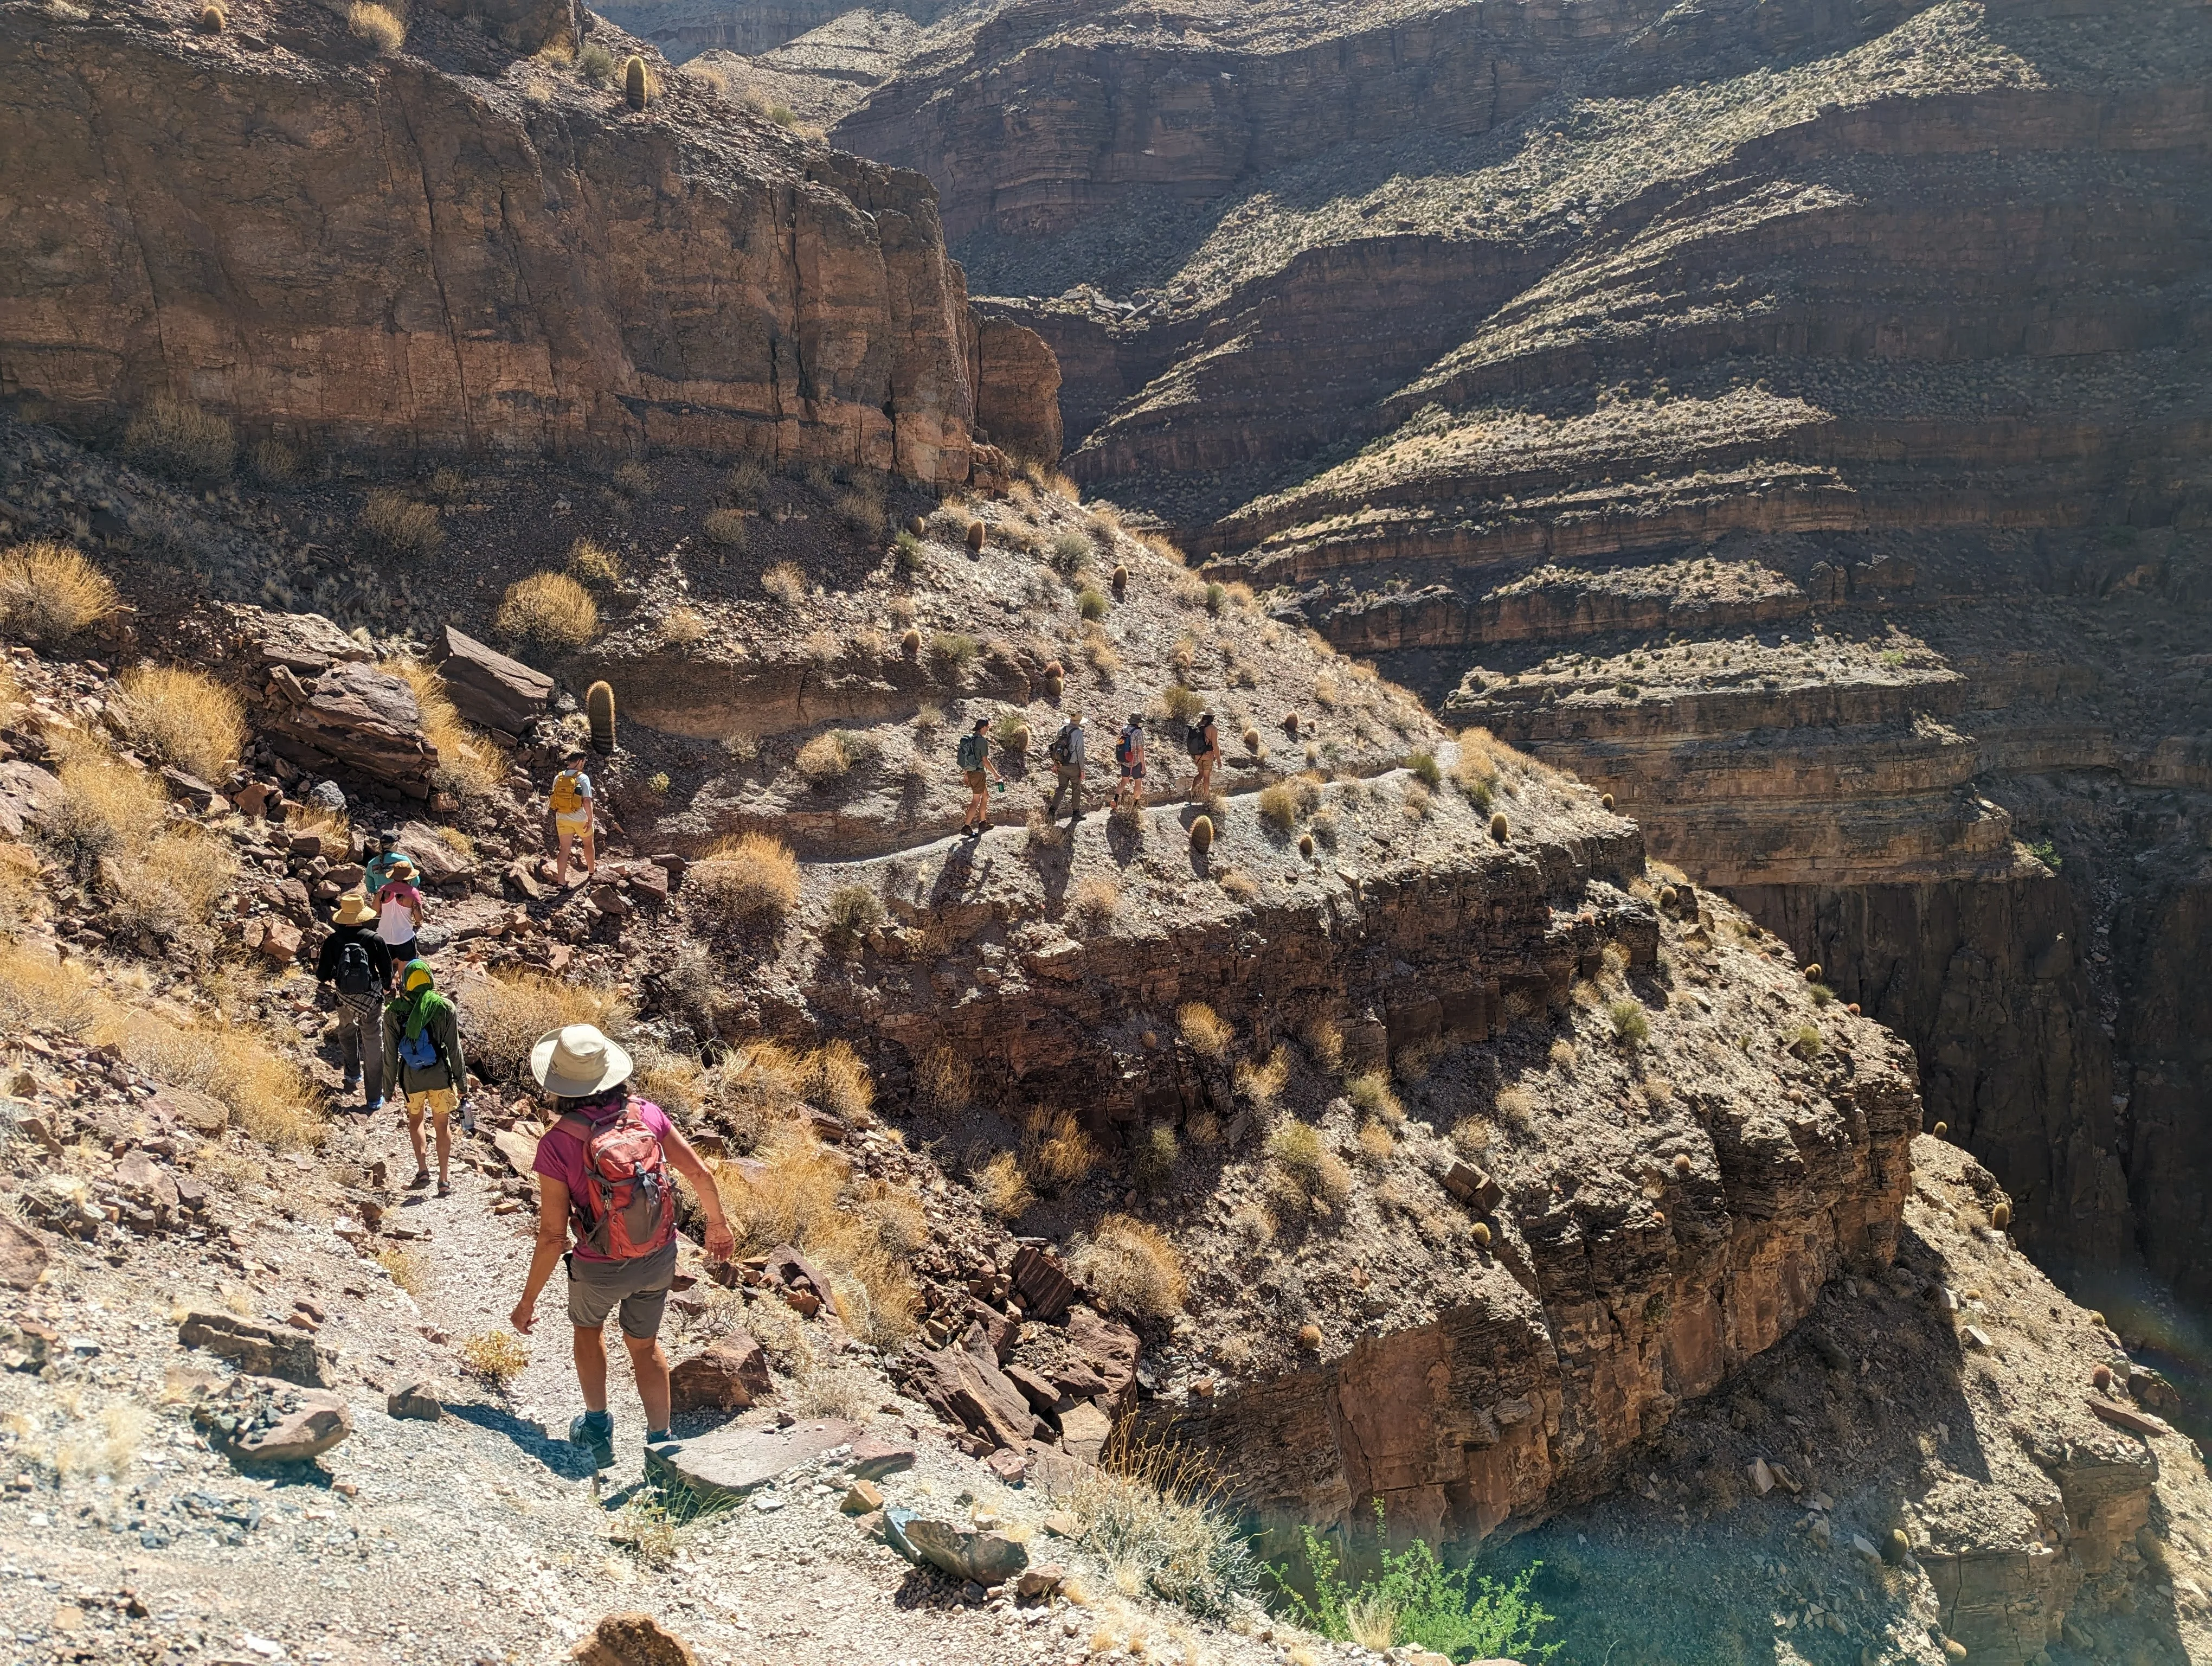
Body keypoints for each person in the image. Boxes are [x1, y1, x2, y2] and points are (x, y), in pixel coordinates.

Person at [509, 1023, 734, 1468]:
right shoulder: (646, 1114)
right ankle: (662, 1448)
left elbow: (553, 1235)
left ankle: (597, 1432)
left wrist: (527, 1300)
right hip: (657, 1257)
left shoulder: (557, 1144)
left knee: (588, 1332)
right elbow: (699, 1173)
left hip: (598, 1266)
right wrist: (717, 1225)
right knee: (645, 1346)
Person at [381, 958, 470, 1195]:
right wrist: (462, 1083)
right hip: (440, 1076)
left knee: (416, 1121)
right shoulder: (445, 1007)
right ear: (429, 980)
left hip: (412, 1078)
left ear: (406, 983)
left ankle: (423, 1171)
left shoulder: (393, 1012)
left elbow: (390, 1055)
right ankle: (444, 1180)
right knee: (442, 1125)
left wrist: (388, 1089)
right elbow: (455, 1049)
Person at [314, 891, 393, 1111]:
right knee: (373, 1041)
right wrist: (385, 988)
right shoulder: (375, 939)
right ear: (362, 915)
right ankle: (374, 1097)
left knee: (347, 1032)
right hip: (371, 998)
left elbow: (322, 975)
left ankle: (352, 1073)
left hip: (344, 997)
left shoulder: (333, 941)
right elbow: (386, 970)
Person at [550, 751, 596, 886]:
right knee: (588, 844)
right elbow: (587, 800)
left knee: (564, 849)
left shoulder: (558, 777)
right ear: (580, 761)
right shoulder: (583, 778)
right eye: (584, 761)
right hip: (580, 818)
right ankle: (592, 872)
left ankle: (561, 883)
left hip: (562, 818)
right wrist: (590, 819)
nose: (584, 764)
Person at [375, 858, 425, 974]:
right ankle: (400, 982)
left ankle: (387, 983)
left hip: (383, 937)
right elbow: (419, 918)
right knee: (405, 966)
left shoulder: (383, 890)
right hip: (404, 938)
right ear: (409, 877)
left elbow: (375, 911)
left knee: (385, 967)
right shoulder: (412, 893)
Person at [955, 717, 1001, 837]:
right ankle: (966, 827)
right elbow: (985, 761)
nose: (988, 730)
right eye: (987, 727)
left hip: (972, 773)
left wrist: (966, 774)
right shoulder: (982, 741)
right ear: (983, 727)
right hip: (978, 774)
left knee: (985, 796)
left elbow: (968, 757)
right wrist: (996, 775)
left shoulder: (970, 738)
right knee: (976, 801)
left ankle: (983, 823)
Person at [1045, 711, 1086, 825]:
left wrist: (1055, 764)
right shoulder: (1078, 733)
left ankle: (1051, 812)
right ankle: (1076, 814)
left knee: (1061, 788)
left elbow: (1056, 749)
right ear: (1079, 722)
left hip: (1060, 765)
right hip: (1073, 766)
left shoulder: (1061, 729)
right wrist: (1082, 770)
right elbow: (1080, 752)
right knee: (1076, 788)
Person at [1111, 711, 1146, 812]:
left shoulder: (1124, 729)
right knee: (1138, 781)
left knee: (1124, 781)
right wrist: (1143, 765)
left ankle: (1115, 799)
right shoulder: (1138, 732)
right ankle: (1135, 805)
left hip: (1124, 761)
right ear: (1138, 722)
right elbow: (1140, 750)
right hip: (1135, 762)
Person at [363, 829, 414, 894]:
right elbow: (415, 880)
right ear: (395, 845)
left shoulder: (372, 863)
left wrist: (379, 892)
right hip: (401, 897)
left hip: (382, 898)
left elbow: (370, 888)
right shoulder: (403, 860)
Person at [1187, 709, 1221, 804]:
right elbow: (1215, 746)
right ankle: (1206, 798)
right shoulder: (1213, 729)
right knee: (1206, 776)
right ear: (1212, 717)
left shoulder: (1198, 725)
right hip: (1208, 756)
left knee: (1200, 774)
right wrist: (1219, 760)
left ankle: (1191, 790)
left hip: (1198, 756)